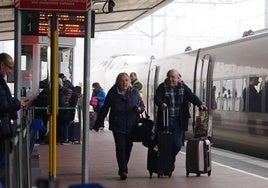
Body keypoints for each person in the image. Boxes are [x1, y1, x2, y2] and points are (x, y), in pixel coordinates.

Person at [93, 72, 145, 180]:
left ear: (130, 82)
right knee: (120, 147)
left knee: (128, 147)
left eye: (126, 80)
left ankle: (124, 165)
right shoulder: (112, 93)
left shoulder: (134, 92)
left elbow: (142, 105)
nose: (124, 83)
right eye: (122, 80)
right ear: (117, 82)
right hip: (118, 125)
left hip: (132, 125)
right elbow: (105, 108)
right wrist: (98, 123)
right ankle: (123, 170)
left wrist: (140, 109)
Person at [154, 69, 207, 171]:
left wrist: (200, 104)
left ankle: (171, 160)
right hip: (166, 120)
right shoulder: (162, 87)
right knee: (165, 143)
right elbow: (157, 98)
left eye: (173, 77)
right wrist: (161, 104)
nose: (170, 79)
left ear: (178, 78)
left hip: (179, 121)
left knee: (177, 144)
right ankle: (168, 163)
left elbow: (191, 96)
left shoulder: (183, 87)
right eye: (169, 76)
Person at [0, 53, 25, 185]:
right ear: (2, 64)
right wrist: (16, 104)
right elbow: (3, 105)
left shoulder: (1, 81)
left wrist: (14, 101)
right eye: (9, 67)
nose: (10, 71)